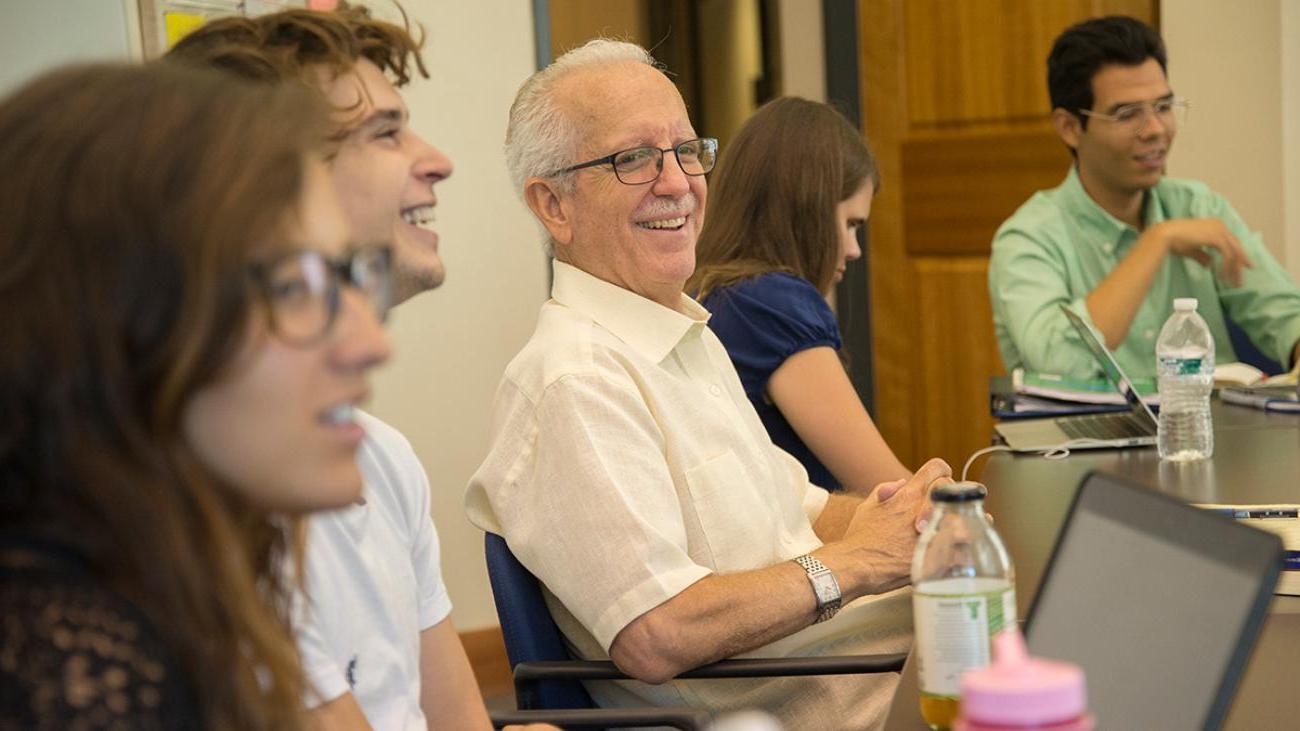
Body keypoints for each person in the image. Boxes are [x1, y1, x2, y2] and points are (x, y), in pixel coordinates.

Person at [467, 39, 952, 729]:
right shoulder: (572, 381)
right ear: (553, 206)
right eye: (633, 159)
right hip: (825, 701)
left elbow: (802, 505)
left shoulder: (687, 336)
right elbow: (657, 628)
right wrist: (863, 560)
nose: (678, 183)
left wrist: (914, 514)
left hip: (881, 660)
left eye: (687, 151)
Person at [168, 6, 537, 730]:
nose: (437, 159)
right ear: (268, 183)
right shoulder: (202, 497)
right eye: (387, 131)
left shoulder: (382, 458)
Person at [0, 62, 391, 729]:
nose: (370, 341)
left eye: (347, 275)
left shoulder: (133, 601)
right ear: (122, 319)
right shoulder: (81, 683)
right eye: (294, 285)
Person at [989, 15, 1300, 379]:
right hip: (1084, 435)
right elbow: (1062, 362)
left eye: (1164, 107)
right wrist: (1157, 239)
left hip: (1209, 430)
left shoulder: (1199, 207)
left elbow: (1283, 314)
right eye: (1127, 114)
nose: (1155, 130)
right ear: (1071, 128)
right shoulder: (1029, 238)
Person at [689, 97, 909, 494]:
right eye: (850, 224)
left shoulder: (708, 291)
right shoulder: (772, 303)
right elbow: (890, 491)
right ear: (809, 209)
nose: (854, 249)